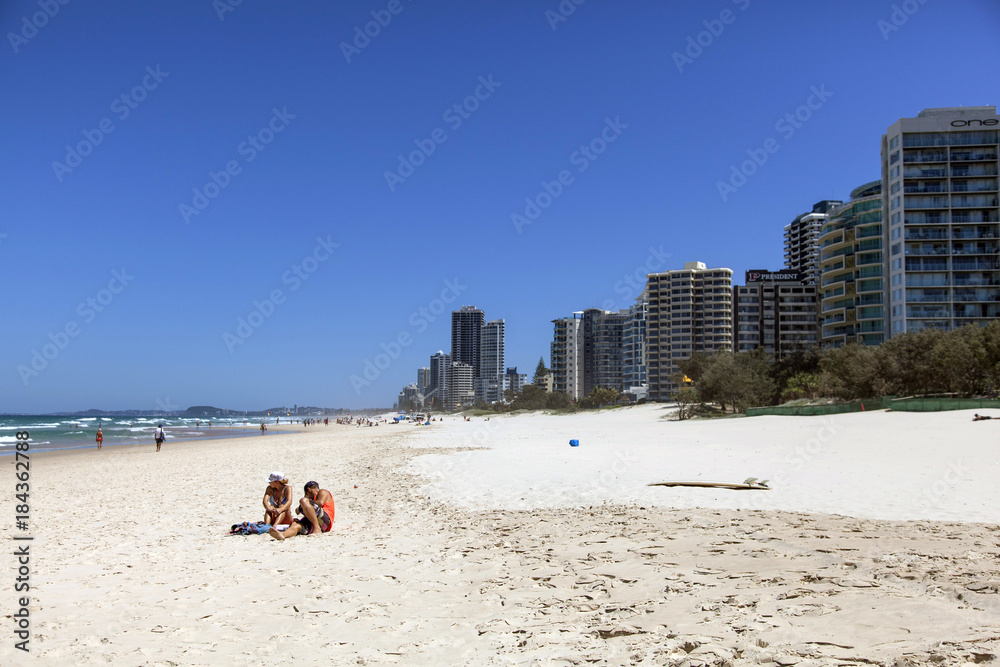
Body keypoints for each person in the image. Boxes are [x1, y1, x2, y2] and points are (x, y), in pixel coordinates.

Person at [269, 482, 335, 540]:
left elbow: (321, 503)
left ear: (308, 490)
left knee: (303, 500)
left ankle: (316, 529)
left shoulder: (322, 491)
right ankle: (283, 535)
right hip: (321, 525)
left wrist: (302, 506)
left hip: (325, 520)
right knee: (296, 525)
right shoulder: (312, 503)